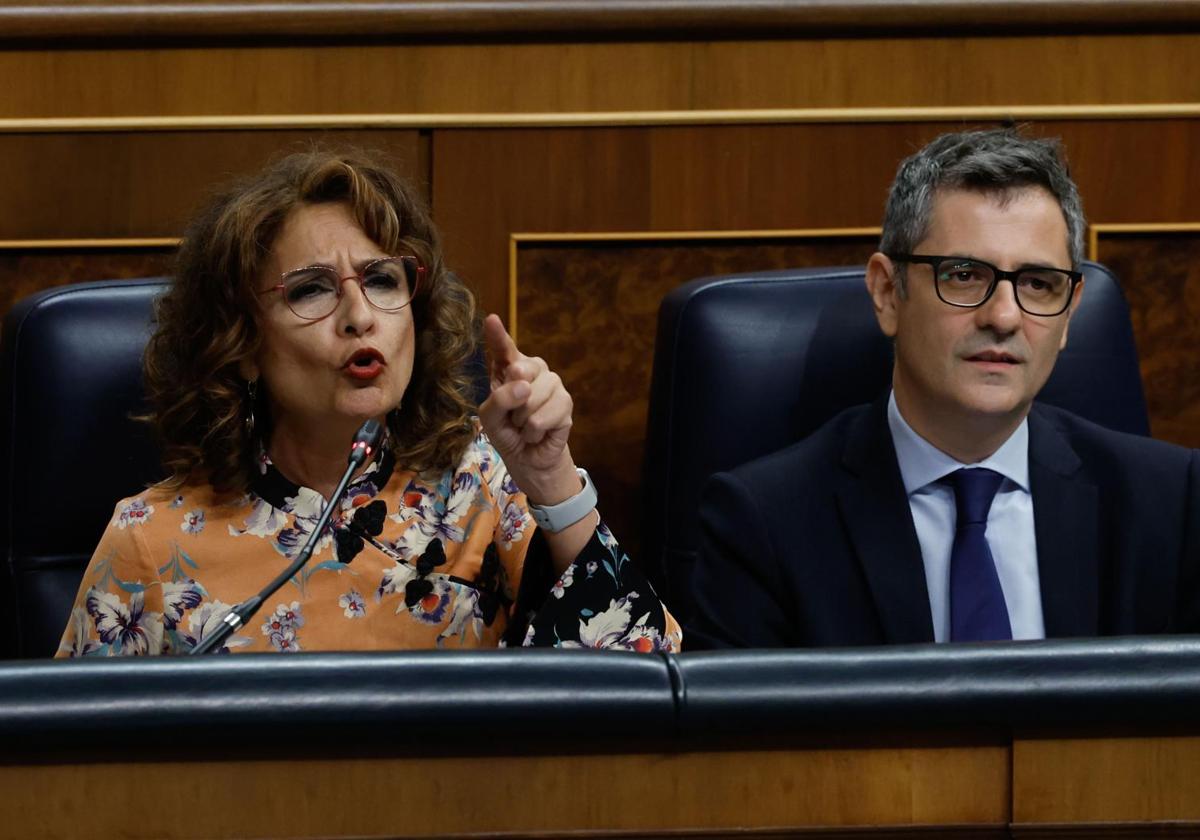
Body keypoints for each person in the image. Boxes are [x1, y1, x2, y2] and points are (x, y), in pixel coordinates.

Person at [57, 149, 680, 656]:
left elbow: (647, 687)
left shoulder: (486, 490)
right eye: (311, 290)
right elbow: (75, 780)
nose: (360, 317)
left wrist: (552, 480)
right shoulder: (150, 540)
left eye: (381, 279)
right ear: (241, 343)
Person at [688, 128, 1200, 648]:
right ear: (888, 292)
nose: (1003, 317)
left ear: (1070, 311)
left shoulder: (1171, 504)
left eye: (1039, 284)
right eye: (963, 275)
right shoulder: (765, 524)